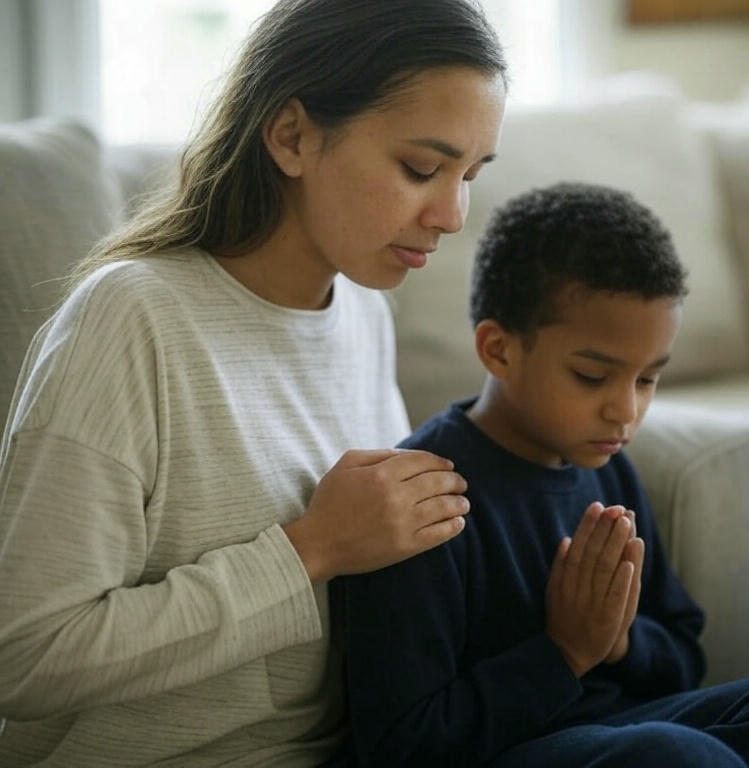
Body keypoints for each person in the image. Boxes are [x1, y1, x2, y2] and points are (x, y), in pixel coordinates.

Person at [0, 1, 506, 765]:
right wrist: (310, 551)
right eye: (422, 169)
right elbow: (25, 656)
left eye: (469, 175)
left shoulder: (362, 313)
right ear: (292, 135)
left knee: (739, 722)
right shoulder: (132, 321)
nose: (452, 214)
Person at [338, 182, 749, 768]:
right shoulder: (425, 500)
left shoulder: (608, 470)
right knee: (676, 756)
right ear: (498, 350)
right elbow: (403, 745)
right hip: (499, 750)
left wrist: (619, 640)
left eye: (647, 379)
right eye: (592, 376)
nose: (625, 411)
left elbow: (682, 652)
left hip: (616, 730)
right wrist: (565, 652)